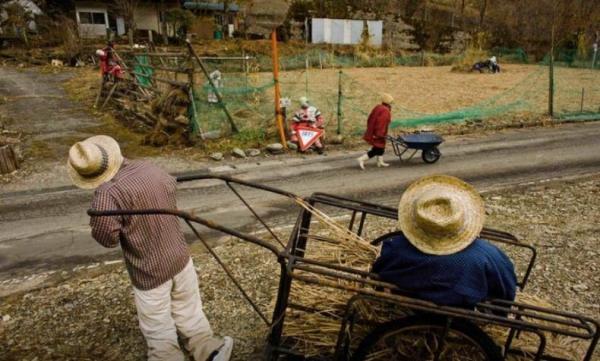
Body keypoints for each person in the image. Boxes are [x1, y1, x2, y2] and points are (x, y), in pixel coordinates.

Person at [67, 135, 233, 361]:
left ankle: (167, 357)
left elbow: (107, 238)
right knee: (189, 310)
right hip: (178, 255)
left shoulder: (107, 195)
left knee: (158, 326)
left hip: (149, 270)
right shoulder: (148, 168)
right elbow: (170, 187)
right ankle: (208, 350)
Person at [372, 175, 517, 308]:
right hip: (491, 302)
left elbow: (380, 271)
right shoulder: (491, 253)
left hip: (463, 309)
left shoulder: (399, 251)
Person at [357, 93, 394, 169]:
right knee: (377, 148)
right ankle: (361, 159)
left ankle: (380, 162)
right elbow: (381, 123)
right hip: (379, 132)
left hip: (373, 130)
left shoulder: (378, 107)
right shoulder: (385, 111)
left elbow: (370, 118)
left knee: (381, 147)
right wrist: (380, 133)